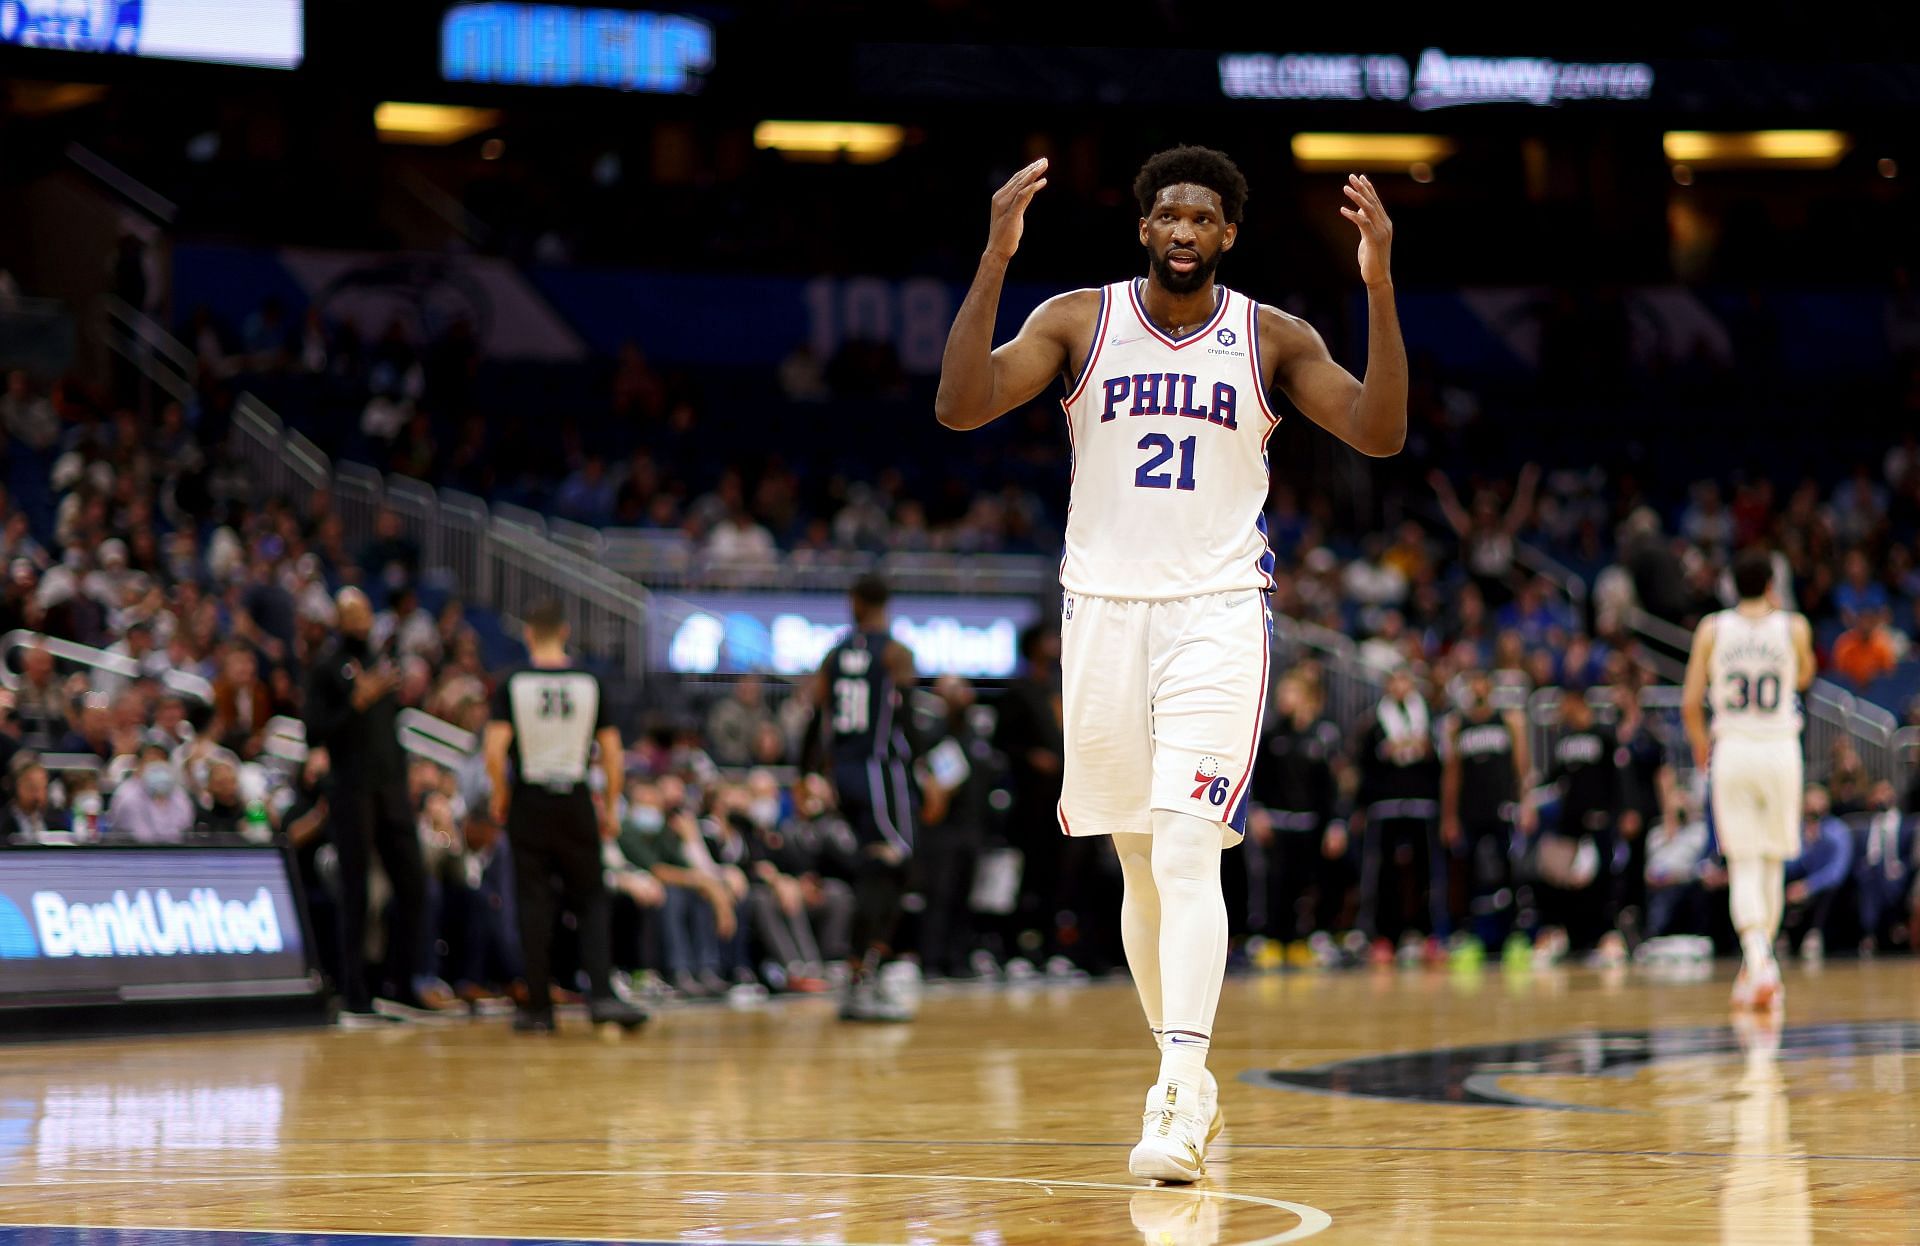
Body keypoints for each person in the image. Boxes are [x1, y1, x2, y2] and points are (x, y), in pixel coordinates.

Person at [935, 145, 1406, 1182]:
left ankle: (1181, 1087)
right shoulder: (1078, 319)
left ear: (1228, 233)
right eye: (1166, 215)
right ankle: (1182, 1072)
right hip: (1101, 613)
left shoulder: (1270, 336)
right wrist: (994, 256)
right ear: (1144, 228)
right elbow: (960, 404)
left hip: (1215, 613)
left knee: (1191, 848)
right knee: (1141, 861)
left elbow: (1379, 428)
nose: (1183, 230)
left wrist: (1378, 284)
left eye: (1202, 216)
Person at [484, 599, 646, 1033]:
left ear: (529, 635)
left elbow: (494, 750)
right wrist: (610, 806)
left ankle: (539, 1007)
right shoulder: (589, 681)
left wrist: (500, 795)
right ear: (566, 632)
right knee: (592, 899)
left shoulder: (513, 681)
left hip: (530, 799)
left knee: (533, 904)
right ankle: (602, 999)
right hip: (575, 798)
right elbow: (613, 753)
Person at [1682, 547, 1815, 1012]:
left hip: (1735, 746)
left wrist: (1702, 747)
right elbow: (1805, 676)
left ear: (1730, 586)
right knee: (1773, 859)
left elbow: (1690, 702)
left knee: (1743, 861)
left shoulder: (1713, 629)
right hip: (1780, 747)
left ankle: (1757, 959)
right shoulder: (1793, 626)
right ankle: (1762, 964)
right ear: (1772, 585)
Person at [305, 587, 436, 1025]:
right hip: (351, 789)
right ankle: (354, 992)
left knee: (414, 884)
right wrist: (356, 701)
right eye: (353, 613)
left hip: (390, 788)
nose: (362, 619)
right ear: (338, 619)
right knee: (356, 890)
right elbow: (314, 731)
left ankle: (400, 983)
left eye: (365, 610)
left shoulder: (381, 660)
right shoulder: (326, 666)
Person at [808, 573, 919, 1022]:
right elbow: (909, 717)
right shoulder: (895, 652)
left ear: (854, 601)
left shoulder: (833, 656)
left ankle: (868, 966)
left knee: (877, 867)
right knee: (892, 862)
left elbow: (818, 717)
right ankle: (862, 974)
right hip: (879, 772)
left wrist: (805, 774)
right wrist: (927, 771)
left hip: (844, 772)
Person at [1439, 669, 1532, 951]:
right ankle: (1468, 935)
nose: (1478, 688)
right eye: (1473, 684)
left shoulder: (1509, 720)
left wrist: (1526, 804)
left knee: (1510, 872)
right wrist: (1449, 817)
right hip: (1470, 810)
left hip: (1503, 808)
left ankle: (1514, 935)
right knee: (1468, 874)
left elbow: (1522, 767)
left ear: (1489, 686)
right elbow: (1452, 774)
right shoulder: (1457, 725)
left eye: (1482, 682)